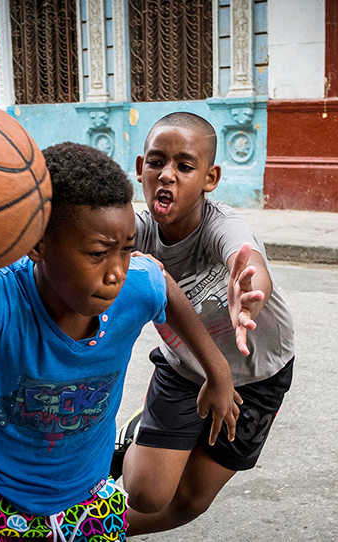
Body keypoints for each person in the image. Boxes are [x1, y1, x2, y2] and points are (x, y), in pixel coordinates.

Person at [0, 102, 240, 542]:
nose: (116, 272)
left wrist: (217, 371)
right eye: (97, 253)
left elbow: (162, 285)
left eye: (125, 248)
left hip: (87, 500)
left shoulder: (135, 284)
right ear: (37, 245)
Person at [117, 112, 295, 536]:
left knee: (191, 501)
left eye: (184, 165)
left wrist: (248, 293)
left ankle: (85, 530)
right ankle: (126, 448)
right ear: (140, 168)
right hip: (186, 370)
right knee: (145, 494)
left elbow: (245, 260)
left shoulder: (223, 225)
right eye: (157, 162)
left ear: (210, 177)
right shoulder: (133, 233)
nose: (167, 175)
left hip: (259, 375)